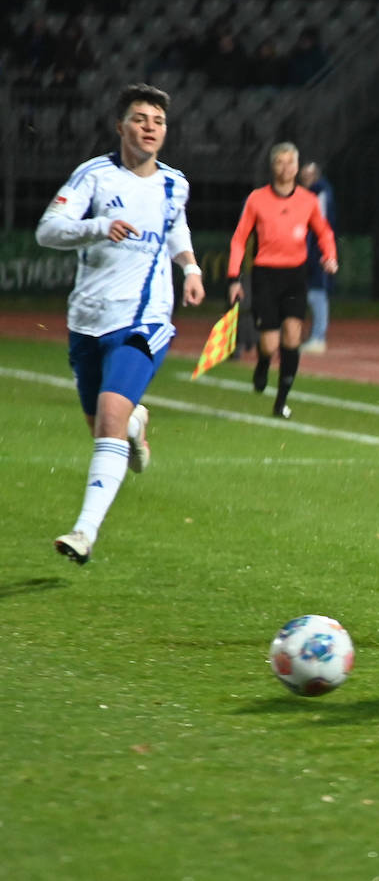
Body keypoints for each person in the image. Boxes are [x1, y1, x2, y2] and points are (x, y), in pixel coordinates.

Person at [37, 82, 205, 564]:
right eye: (140, 119)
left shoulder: (174, 183)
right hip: (89, 318)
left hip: (143, 317)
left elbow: (175, 226)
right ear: (120, 126)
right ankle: (134, 422)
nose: (150, 128)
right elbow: (48, 231)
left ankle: (83, 533)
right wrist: (97, 226)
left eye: (158, 121)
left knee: (107, 416)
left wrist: (191, 268)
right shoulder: (93, 175)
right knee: (102, 426)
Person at [227, 141, 338, 418]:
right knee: (270, 343)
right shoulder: (257, 199)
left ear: (297, 167)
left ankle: (281, 400)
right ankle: (263, 362)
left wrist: (330, 256)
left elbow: (324, 232)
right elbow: (240, 239)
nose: (286, 168)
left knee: (292, 335)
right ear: (272, 166)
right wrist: (233, 277)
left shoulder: (308, 201)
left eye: (291, 162)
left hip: (295, 275)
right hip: (265, 275)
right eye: (280, 162)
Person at [299, 160, 335, 353]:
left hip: (317, 250)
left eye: (309, 176)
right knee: (312, 292)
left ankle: (318, 337)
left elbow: (319, 224)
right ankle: (315, 334)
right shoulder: (314, 193)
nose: (305, 179)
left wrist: (320, 252)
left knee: (317, 291)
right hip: (313, 248)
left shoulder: (319, 192)